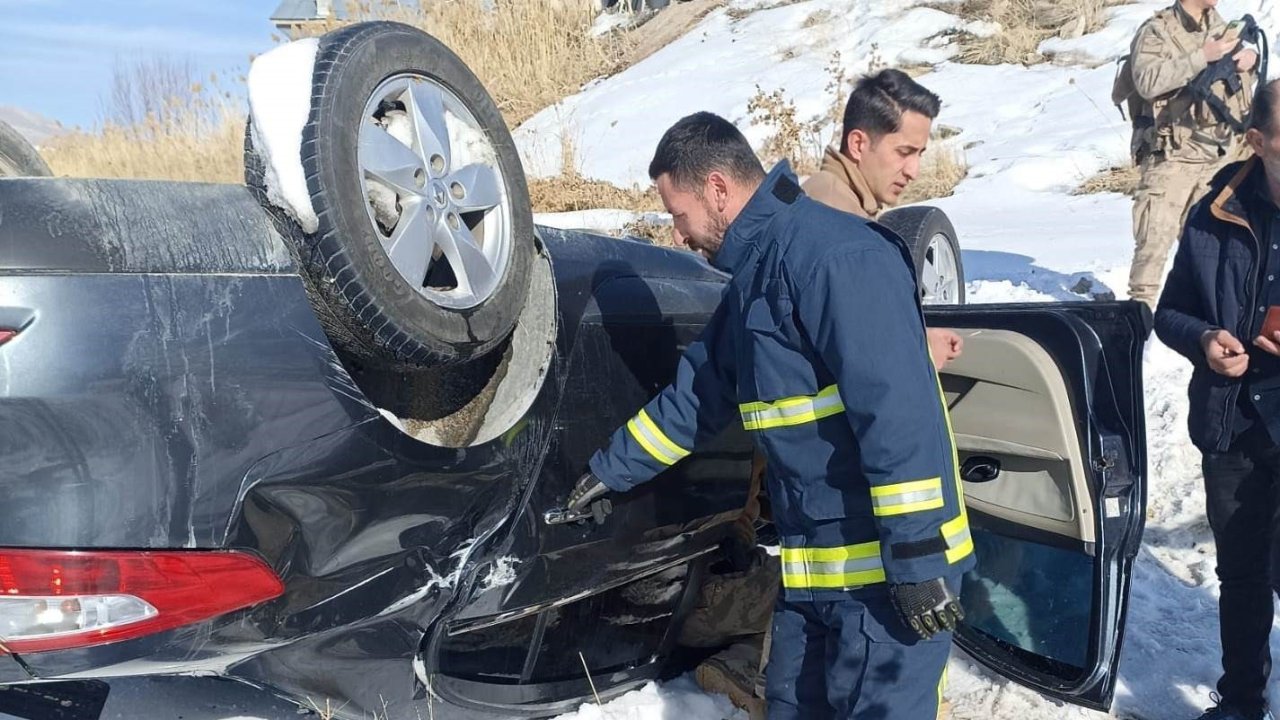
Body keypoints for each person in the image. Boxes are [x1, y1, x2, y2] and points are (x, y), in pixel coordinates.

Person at [568, 111, 974, 719]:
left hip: (889, 586)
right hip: (812, 580)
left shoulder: (838, 260)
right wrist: (608, 473)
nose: (678, 236)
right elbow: (694, 401)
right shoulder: (753, 285)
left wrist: (916, 561)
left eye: (678, 215)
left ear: (718, 190)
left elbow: (901, 419)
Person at [1154, 78, 1280, 720]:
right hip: (1233, 422)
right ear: (1257, 143)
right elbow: (1168, 312)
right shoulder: (1213, 213)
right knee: (1243, 575)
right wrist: (1205, 338)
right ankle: (1242, 703)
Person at [803, 68, 964, 370]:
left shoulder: (847, 204)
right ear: (858, 144)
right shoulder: (833, 214)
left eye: (920, 154)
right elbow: (858, 349)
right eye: (904, 152)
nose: (913, 170)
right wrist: (922, 352)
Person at [1118, 0, 1258, 309]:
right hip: (1172, 155)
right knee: (1153, 244)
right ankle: (1138, 325)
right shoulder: (1157, 30)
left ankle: (1201, 319)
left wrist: (1248, 60)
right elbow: (1148, 81)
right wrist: (1201, 57)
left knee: (1207, 247)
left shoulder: (1219, 25)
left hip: (1217, 156)